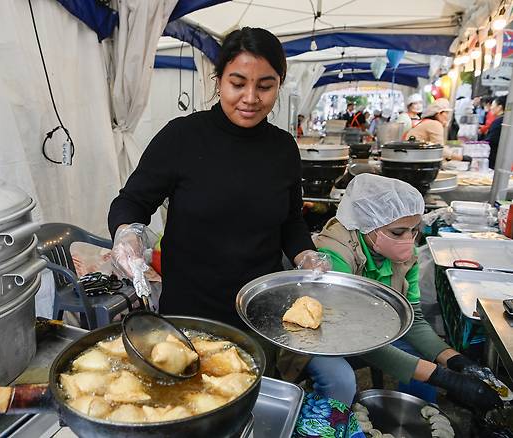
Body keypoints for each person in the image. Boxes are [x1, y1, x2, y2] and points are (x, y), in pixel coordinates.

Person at [107, 27, 356, 405]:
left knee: (247, 404)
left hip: (260, 316)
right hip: (189, 315)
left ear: (279, 85)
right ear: (218, 79)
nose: (251, 98)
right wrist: (127, 233)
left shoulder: (283, 148)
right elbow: (132, 201)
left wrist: (306, 254)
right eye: (237, 83)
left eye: (265, 86)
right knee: (186, 405)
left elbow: (290, 220)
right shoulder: (182, 138)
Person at [314, 174, 503, 412]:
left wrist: (454, 360)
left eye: (414, 231)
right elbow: (350, 334)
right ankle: (328, 424)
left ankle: (421, 419)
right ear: (367, 224)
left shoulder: (403, 257)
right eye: (397, 232)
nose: (408, 240)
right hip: (324, 337)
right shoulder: (336, 255)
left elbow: (413, 319)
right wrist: (445, 378)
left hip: (373, 333)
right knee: (340, 380)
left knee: (424, 362)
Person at [485, 95, 507, 169]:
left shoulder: (499, 122)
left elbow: (491, 140)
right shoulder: (505, 120)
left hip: (495, 157)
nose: (491, 108)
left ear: (499, 107)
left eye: (493, 105)